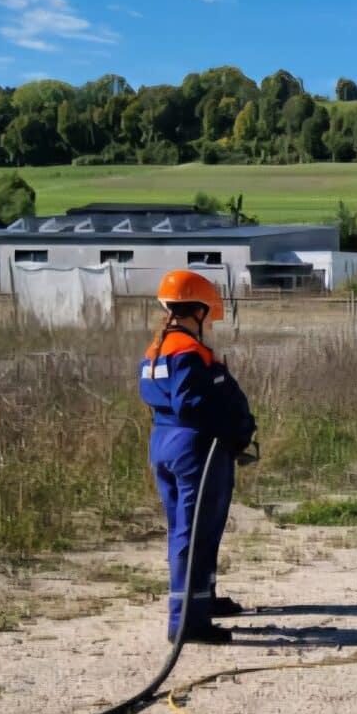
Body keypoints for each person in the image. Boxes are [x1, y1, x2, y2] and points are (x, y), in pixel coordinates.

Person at [138, 269, 256, 645]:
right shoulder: (187, 351)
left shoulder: (158, 348)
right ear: (200, 311)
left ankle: (202, 601)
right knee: (192, 534)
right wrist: (232, 430)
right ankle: (188, 622)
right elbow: (192, 403)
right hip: (194, 449)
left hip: (167, 443)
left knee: (194, 530)